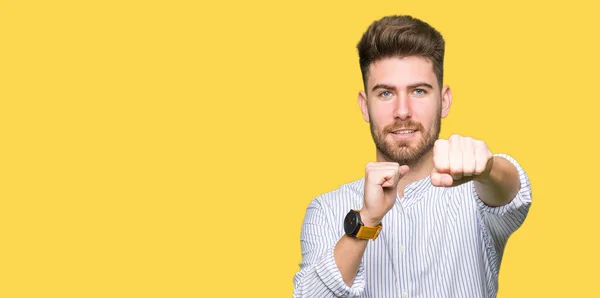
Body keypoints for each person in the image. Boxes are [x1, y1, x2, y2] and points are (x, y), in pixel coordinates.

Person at [292, 15, 532, 298]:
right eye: (385, 94)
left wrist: (488, 167)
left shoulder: (475, 193)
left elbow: (511, 193)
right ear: (364, 105)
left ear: (444, 101)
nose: (403, 111)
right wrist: (366, 221)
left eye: (418, 91)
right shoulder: (326, 211)